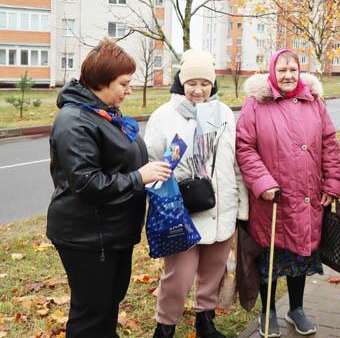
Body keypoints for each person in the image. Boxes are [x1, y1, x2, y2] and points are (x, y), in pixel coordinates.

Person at [46, 38, 172, 337]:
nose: (130, 89)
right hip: (88, 236)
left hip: (111, 231)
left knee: (107, 305)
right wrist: (139, 177)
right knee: (90, 314)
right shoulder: (74, 122)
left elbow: (119, 162)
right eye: (124, 83)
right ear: (101, 82)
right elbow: (87, 184)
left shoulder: (103, 113)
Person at [236, 49, 340, 337]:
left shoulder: (315, 103)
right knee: (269, 258)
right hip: (272, 199)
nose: (287, 75)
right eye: (282, 70)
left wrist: (332, 183)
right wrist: (262, 182)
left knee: (300, 255)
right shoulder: (256, 104)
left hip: (307, 196)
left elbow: (329, 144)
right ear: (272, 71)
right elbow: (244, 147)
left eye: (293, 70)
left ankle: (296, 309)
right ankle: (267, 310)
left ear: (300, 72)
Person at [145, 50, 248, 338]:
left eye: (205, 83)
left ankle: (205, 320)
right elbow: (151, 163)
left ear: (213, 84)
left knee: (213, 271)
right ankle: (165, 326)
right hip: (182, 211)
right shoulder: (164, 116)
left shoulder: (225, 114)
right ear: (181, 82)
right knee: (179, 276)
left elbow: (235, 163)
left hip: (221, 207)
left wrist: (242, 207)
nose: (199, 90)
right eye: (192, 83)